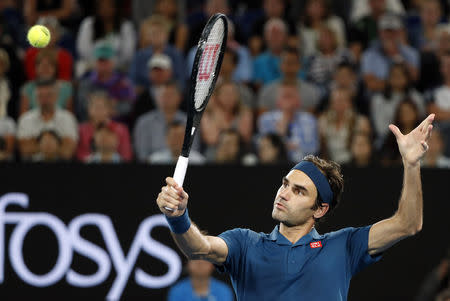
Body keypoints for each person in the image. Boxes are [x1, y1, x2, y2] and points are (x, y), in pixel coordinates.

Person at [157, 110, 435, 300]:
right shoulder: (244, 243)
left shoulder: (344, 246)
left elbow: (408, 224)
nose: (284, 193)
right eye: (285, 184)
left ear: (320, 209)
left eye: (299, 191)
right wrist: (179, 216)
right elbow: (198, 247)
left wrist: (411, 164)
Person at [17, 79, 78, 161]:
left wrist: (35, 142)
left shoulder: (68, 118)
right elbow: (24, 149)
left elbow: (68, 150)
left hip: (62, 167)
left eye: (48, 95)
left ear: (56, 96)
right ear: (35, 98)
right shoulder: (25, 119)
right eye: (40, 96)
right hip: (32, 167)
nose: (44, 100)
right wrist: (58, 143)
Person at [361, 12, 420, 94]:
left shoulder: (411, 53)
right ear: (380, 32)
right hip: (379, 96)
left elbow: (414, 78)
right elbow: (371, 84)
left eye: (393, 31)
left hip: (405, 95)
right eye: (386, 31)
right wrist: (396, 82)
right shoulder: (369, 55)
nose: (389, 35)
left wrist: (397, 56)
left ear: (399, 32)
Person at [258, 84, 319, 162]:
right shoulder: (266, 120)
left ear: (298, 101)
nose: (288, 101)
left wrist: (292, 145)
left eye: (291, 96)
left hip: (302, 165)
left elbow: (314, 149)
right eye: (285, 97)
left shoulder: (309, 120)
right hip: (274, 166)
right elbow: (264, 148)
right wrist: (280, 135)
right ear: (278, 101)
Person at [76, 43, 136, 122]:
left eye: (106, 61)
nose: (103, 65)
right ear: (95, 62)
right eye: (100, 61)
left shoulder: (123, 81)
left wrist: (107, 109)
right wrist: (107, 107)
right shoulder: (86, 81)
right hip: (91, 123)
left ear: (113, 62)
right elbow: (83, 105)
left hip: (118, 124)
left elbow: (129, 106)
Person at [76, 0, 136, 75]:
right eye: (102, 6)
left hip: (118, 68)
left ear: (115, 7)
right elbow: (83, 50)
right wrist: (99, 64)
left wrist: (111, 64)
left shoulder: (125, 25)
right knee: (81, 68)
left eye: (109, 6)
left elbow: (128, 53)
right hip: (92, 66)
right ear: (97, 8)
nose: (105, 9)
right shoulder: (88, 23)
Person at [257, 47, 321, 114]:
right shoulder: (267, 91)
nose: (289, 67)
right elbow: (262, 120)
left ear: (299, 66)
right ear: (280, 65)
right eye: (286, 62)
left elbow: (311, 121)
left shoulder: (310, 92)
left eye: (293, 63)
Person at [318, 87, 371, 164]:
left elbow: (366, 148)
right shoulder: (323, 121)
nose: (339, 104)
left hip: (353, 163)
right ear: (331, 103)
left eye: (342, 100)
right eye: (336, 101)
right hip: (330, 163)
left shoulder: (360, 122)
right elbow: (322, 147)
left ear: (349, 103)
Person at [76, 91, 132, 162]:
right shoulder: (81, 129)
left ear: (109, 109)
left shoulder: (121, 129)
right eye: (95, 106)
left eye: (102, 107)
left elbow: (126, 155)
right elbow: (81, 155)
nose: (98, 110)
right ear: (89, 109)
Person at [20, 49, 73, 115]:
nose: (45, 68)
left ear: (56, 68)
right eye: (42, 65)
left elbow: (70, 117)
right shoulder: (27, 88)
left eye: (50, 65)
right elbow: (23, 118)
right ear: (36, 68)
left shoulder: (66, 88)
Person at [167, 259, 234, 301]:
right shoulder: (177, 290)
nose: (200, 263)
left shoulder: (224, 290)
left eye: (205, 260)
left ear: (212, 265)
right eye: (195, 259)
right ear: (187, 264)